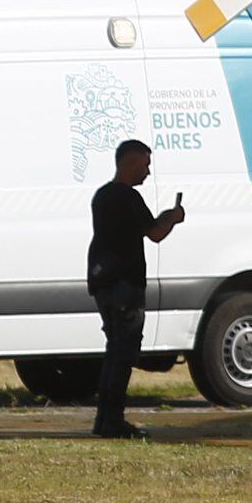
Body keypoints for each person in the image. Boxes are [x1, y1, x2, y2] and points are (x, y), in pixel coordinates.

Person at [86, 139, 185, 440]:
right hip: (124, 285)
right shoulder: (127, 198)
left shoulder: (102, 196)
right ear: (130, 163)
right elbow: (155, 232)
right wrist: (174, 216)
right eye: (145, 164)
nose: (148, 171)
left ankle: (104, 419)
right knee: (124, 352)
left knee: (114, 350)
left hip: (103, 281)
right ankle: (112, 421)